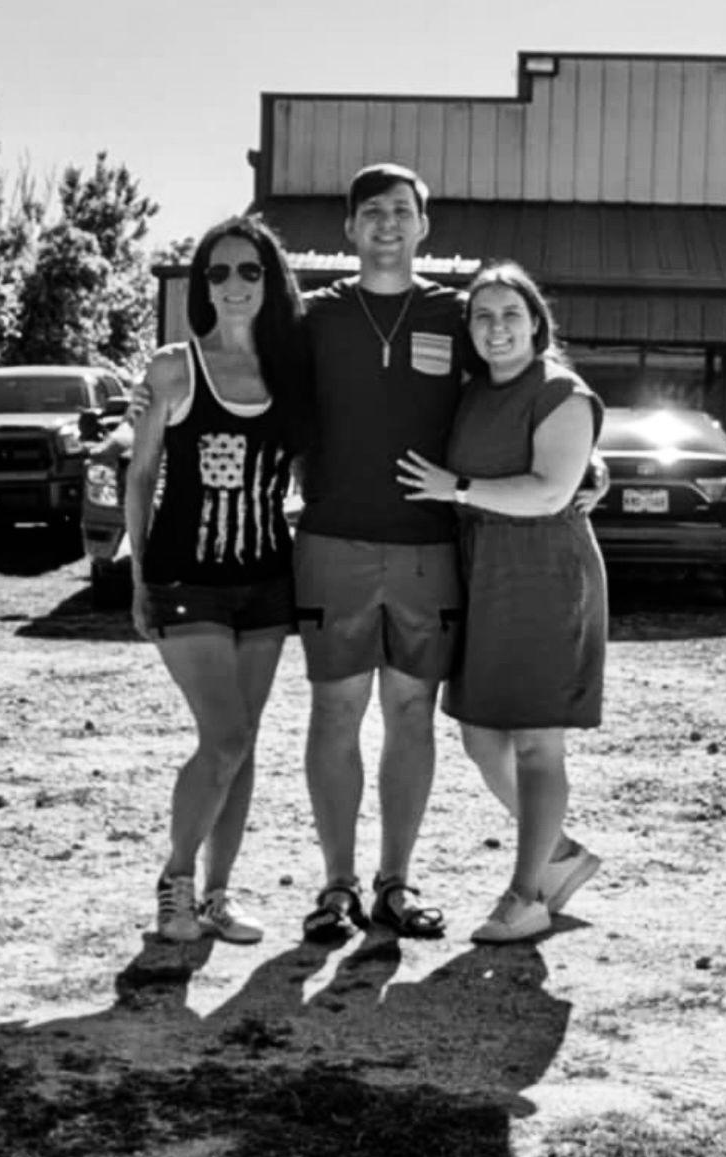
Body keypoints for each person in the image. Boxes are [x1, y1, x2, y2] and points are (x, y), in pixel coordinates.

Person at [396, 261, 607, 943]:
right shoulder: (473, 392)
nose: (497, 327)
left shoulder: (560, 391)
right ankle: (558, 853)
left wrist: (456, 488)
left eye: (511, 313)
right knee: (482, 735)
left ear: (536, 322)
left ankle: (526, 895)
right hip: (483, 572)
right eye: (482, 316)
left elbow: (550, 491)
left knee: (538, 742)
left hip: (545, 572)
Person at [293, 163, 467, 942]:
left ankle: (395, 881)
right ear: (349, 227)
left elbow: (523, 380)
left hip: (429, 548)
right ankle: (336, 885)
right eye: (372, 211)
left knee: (409, 711)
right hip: (332, 542)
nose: (387, 224)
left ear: (423, 225)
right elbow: (247, 378)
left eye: (401, 210)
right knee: (335, 709)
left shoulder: (457, 313)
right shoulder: (315, 316)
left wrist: (581, 452)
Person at [125, 214, 306, 944]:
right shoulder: (174, 369)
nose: (234, 284)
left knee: (244, 743)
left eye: (249, 270)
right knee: (224, 738)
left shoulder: (291, 372)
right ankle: (175, 883)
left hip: (266, 580)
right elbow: (141, 476)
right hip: (185, 580)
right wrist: (138, 577)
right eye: (219, 271)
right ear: (203, 285)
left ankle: (217, 896)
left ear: (270, 280)